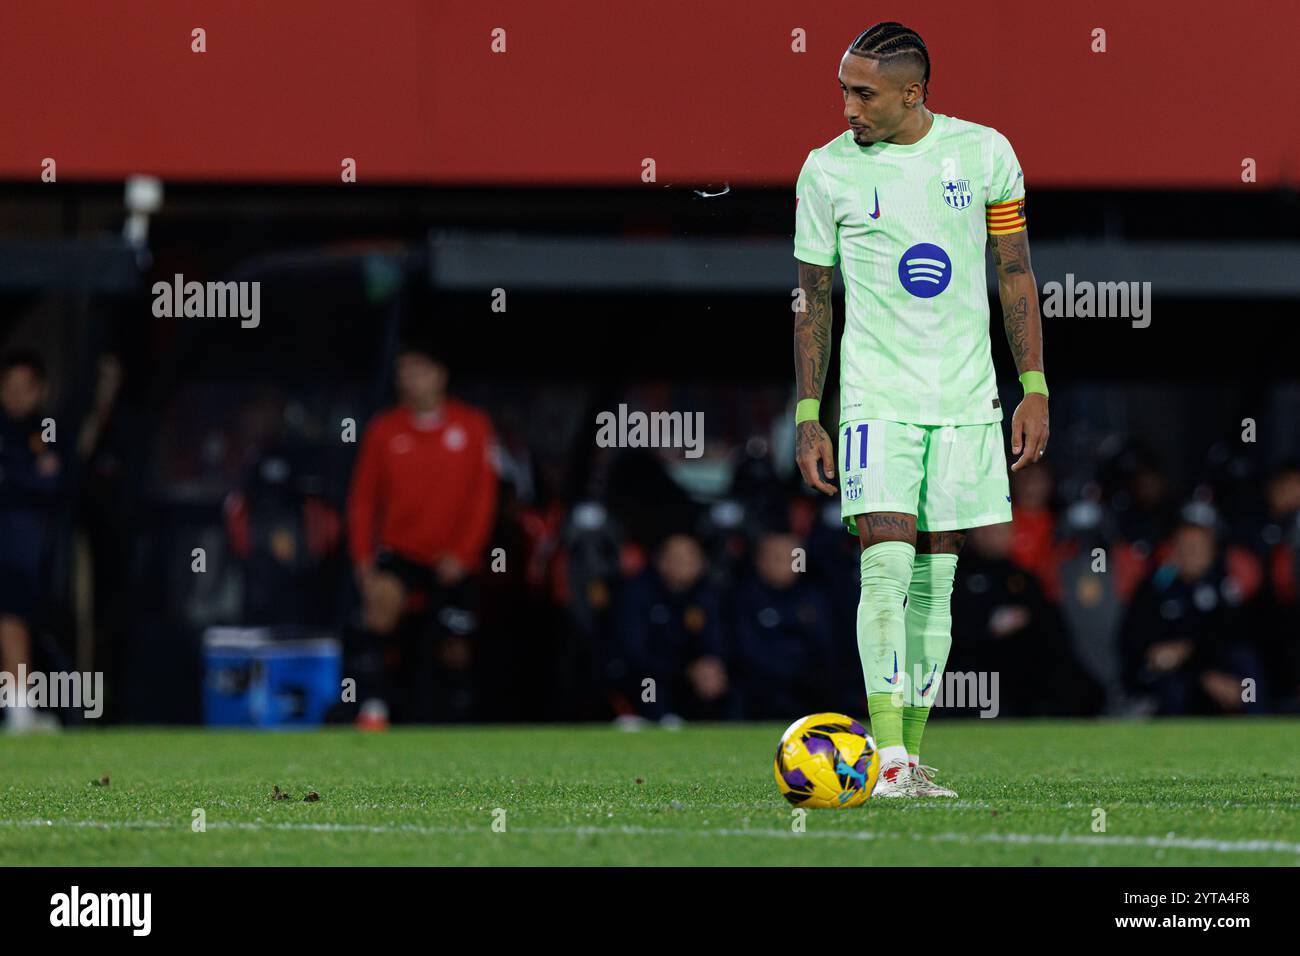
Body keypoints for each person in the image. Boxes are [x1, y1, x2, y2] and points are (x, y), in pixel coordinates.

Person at [791, 23, 1048, 796]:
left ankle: (905, 759)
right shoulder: (825, 172)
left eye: (863, 93)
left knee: (937, 582)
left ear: (915, 91)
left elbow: (1016, 276)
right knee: (886, 567)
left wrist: (1031, 387)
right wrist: (811, 409)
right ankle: (889, 756)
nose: (847, 108)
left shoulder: (985, 154)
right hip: (877, 399)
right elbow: (813, 298)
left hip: (967, 399)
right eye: (842, 89)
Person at [346, 340, 498, 725]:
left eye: (416, 370)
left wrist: (463, 555)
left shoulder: (473, 426)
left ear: (439, 375)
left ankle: (457, 715)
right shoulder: (384, 430)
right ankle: (374, 704)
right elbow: (363, 500)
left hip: (453, 558)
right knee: (380, 601)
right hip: (400, 552)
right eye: (402, 372)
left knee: (454, 647)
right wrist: (363, 559)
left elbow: (483, 498)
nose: (407, 380)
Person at [0, 349, 63, 733]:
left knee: (14, 618)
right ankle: (19, 709)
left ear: (40, 390)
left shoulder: (47, 428)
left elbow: (51, 478)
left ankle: (20, 708)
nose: (16, 395)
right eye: (9, 387)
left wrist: (13, 475)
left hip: (24, 544)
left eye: (26, 387)